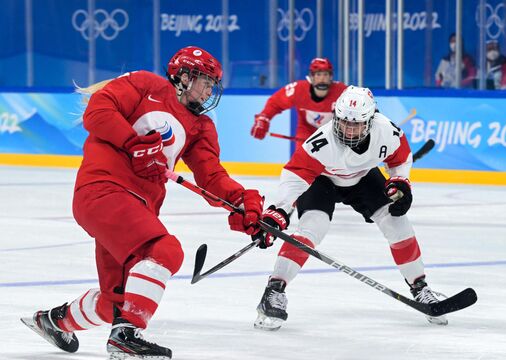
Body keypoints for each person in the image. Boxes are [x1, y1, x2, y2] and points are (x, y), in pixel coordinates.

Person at [20, 46, 265, 359]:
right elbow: (97, 111)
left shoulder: (200, 127)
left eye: (212, 85)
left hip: (134, 209)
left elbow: (212, 177)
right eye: (205, 81)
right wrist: (133, 143)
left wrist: (246, 204)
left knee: (116, 303)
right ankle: (127, 335)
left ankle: (54, 322)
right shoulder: (145, 85)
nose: (209, 91)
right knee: (164, 250)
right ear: (185, 76)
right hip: (103, 191)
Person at [250, 85, 449, 331]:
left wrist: (400, 182)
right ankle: (274, 290)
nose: (349, 130)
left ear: (370, 120)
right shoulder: (321, 142)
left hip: (363, 177)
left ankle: (420, 287)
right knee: (313, 227)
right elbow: (294, 175)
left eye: (356, 125)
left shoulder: (386, 131)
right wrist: (279, 210)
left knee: (397, 222)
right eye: (344, 123)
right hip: (323, 180)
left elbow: (400, 158)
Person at [250, 58, 348, 150]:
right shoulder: (298, 89)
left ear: (331, 76)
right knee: (302, 162)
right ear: (311, 77)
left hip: (335, 134)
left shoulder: (343, 92)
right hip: (307, 132)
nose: (322, 79)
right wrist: (263, 119)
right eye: (318, 75)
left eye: (325, 74)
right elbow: (275, 103)